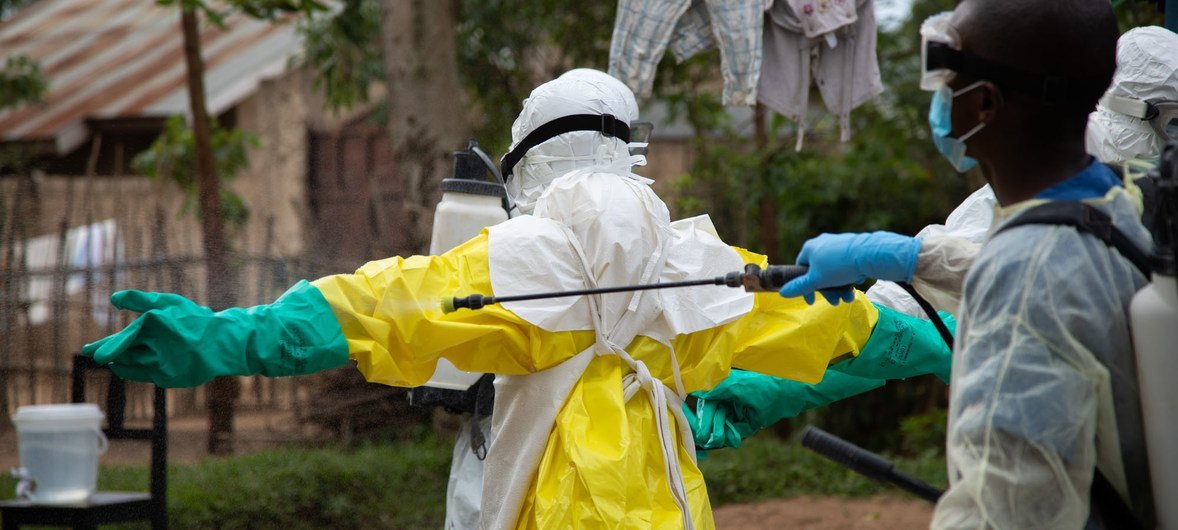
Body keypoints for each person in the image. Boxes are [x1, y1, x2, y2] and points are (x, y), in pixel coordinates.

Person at [84, 68, 930, 529]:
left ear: (526, 163)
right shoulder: (703, 260)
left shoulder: (526, 256)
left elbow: (381, 304)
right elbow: (835, 331)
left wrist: (231, 336)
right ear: (632, 154)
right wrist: (941, 331)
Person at [687, 24, 1178, 454]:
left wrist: (906, 274)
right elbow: (971, 281)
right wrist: (911, 264)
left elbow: (1034, 282)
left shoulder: (1096, 177)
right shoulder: (1079, 177)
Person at [777, 1, 1156, 528]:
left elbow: (1007, 508)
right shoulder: (1112, 207)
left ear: (984, 104)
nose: (936, 94)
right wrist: (910, 257)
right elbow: (1049, 264)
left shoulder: (1024, 279)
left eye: (945, 72)